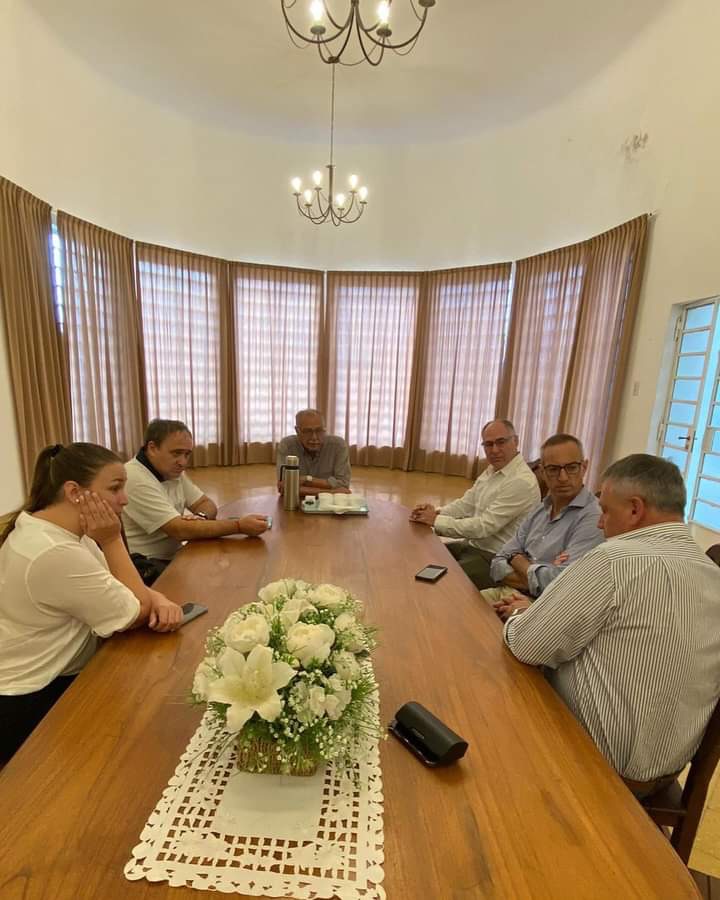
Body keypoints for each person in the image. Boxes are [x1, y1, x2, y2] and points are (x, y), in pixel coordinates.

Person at [503, 454, 720, 796]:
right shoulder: (712, 575)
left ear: (634, 509)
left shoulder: (614, 559)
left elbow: (528, 646)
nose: (601, 524)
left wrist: (520, 616)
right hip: (664, 771)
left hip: (596, 767)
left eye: (605, 511)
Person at [0, 442, 183, 761]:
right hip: (32, 698)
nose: (124, 499)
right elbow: (136, 612)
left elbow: (117, 584)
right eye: (115, 488)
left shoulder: (57, 530)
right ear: (74, 492)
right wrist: (112, 540)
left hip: (46, 679)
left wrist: (158, 596)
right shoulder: (56, 551)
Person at [123, 419, 269, 576]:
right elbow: (179, 530)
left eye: (187, 454)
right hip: (146, 565)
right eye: (176, 453)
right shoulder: (135, 478)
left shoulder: (169, 469)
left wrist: (201, 517)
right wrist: (239, 526)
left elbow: (205, 503)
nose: (183, 462)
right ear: (152, 448)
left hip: (173, 555)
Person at [409, 419, 540, 589]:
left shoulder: (521, 481)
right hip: (473, 546)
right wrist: (436, 513)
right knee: (420, 557)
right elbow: (466, 504)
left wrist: (434, 520)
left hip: (496, 558)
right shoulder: (494, 469)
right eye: (488, 444)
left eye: (501, 442)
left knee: (436, 584)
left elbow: (483, 527)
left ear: (515, 441)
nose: (494, 450)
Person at [487, 434, 603, 611]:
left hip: (543, 608)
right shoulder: (540, 510)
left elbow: (562, 585)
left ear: (584, 467)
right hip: (506, 593)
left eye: (571, 467)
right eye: (553, 469)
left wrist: (518, 561)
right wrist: (538, 577)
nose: (563, 477)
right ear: (542, 472)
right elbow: (497, 562)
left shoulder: (593, 517)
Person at [276, 409, 351, 497]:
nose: (314, 437)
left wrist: (306, 480)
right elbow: (285, 487)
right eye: (307, 431)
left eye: (319, 430)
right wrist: (330, 492)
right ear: (297, 431)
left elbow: (343, 484)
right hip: (296, 502)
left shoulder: (338, 445)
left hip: (329, 503)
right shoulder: (287, 446)